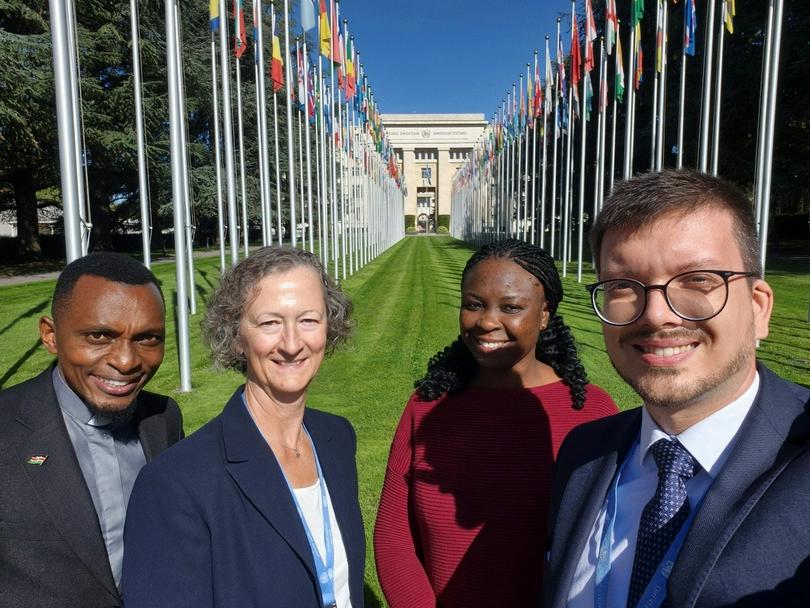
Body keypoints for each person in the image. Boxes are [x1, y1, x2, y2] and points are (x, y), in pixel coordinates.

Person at [544, 169, 810, 608]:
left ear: (758, 308)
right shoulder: (584, 454)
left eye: (698, 279)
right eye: (623, 286)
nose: (656, 315)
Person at [374, 239, 618, 608]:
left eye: (511, 307)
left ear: (544, 314)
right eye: (474, 305)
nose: (487, 321)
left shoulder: (592, 412)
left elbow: (607, 544)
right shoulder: (426, 407)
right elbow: (394, 535)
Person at [123, 246, 365, 608]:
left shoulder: (337, 440)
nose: (292, 343)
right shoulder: (176, 484)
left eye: (309, 320)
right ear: (236, 336)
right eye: (270, 323)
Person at [0, 252, 183, 608]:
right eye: (99, 335)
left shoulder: (163, 419)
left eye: (147, 338)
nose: (126, 361)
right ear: (50, 336)